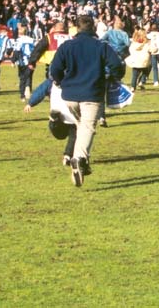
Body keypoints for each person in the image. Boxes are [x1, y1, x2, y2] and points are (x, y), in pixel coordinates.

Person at [49, 15, 124, 187]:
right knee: (88, 127)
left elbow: (55, 70)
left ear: (77, 27)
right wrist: (112, 77)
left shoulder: (67, 46)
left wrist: (61, 82)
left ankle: (83, 163)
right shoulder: (101, 46)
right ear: (93, 28)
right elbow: (117, 66)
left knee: (81, 127)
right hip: (92, 93)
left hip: (69, 95)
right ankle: (79, 159)